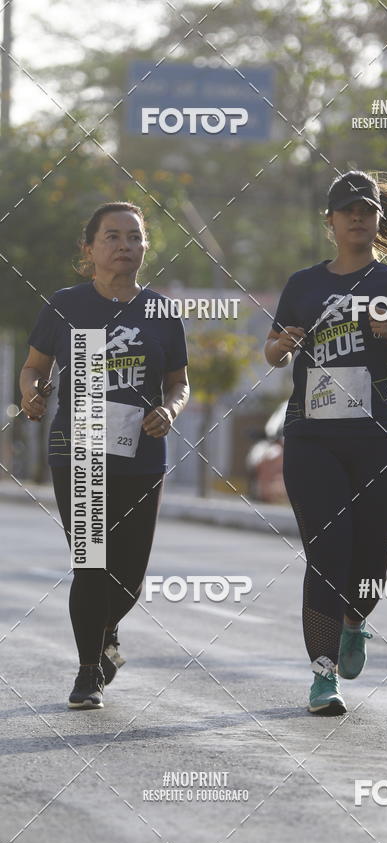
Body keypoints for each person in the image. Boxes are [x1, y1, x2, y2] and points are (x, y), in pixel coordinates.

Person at [264, 171, 387, 715]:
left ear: (378, 221)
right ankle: (322, 677)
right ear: (331, 222)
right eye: (348, 211)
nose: (358, 218)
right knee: (326, 551)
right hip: (312, 434)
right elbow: (271, 351)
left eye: (367, 210)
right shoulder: (303, 285)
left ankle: (355, 622)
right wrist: (282, 344)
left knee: (369, 561)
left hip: (378, 436)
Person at [20, 202, 189, 709]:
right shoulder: (65, 305)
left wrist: (171, 409)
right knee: (91, 564)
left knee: (129, 575)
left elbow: (179, 383)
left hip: (141, 454)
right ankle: (88, 670)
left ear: (144, 248)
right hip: (78, 451)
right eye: (112, 237)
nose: (124, 246)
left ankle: (106, 627)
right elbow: (33, 368)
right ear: (89, 248)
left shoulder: (161, 311)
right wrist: (31, 394)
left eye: (134, 237)